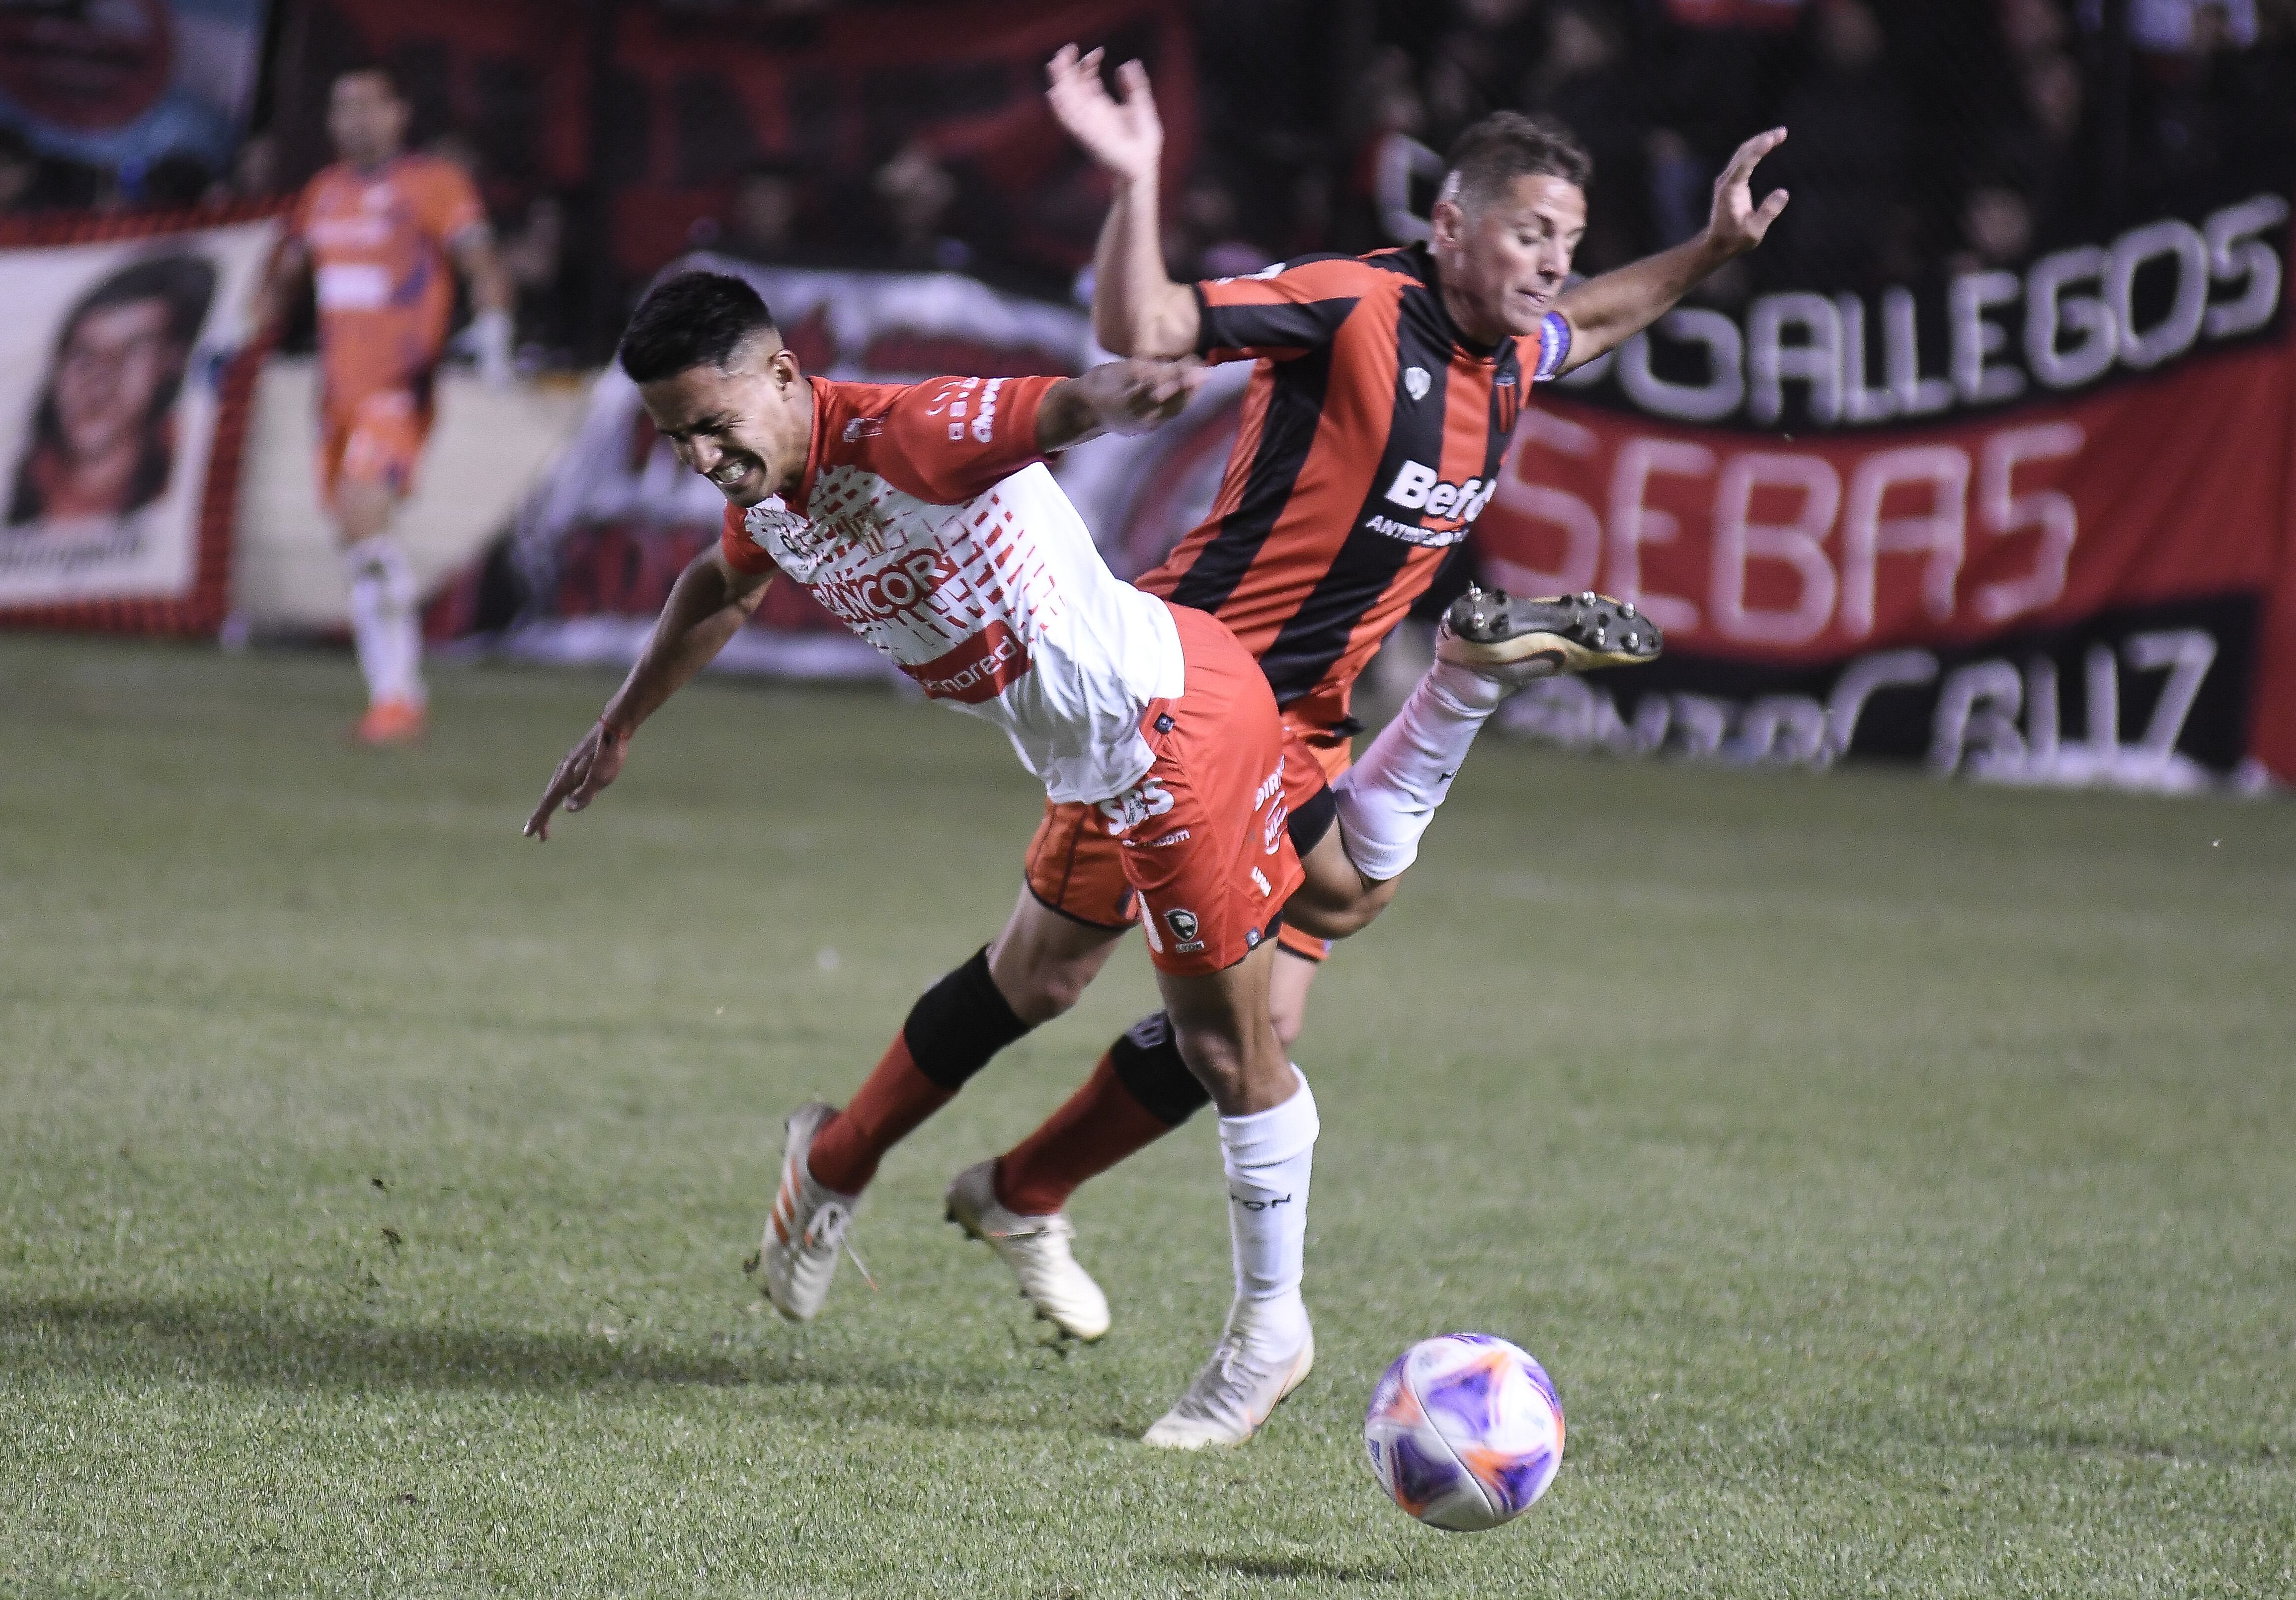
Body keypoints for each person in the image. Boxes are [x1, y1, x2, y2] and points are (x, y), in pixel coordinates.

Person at [522, 269, 1654, 1450]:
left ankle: (1271, 1332)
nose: (701, 457)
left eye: (713, 426)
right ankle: (841, 1165)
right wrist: (620, 723)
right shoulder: (769, 493)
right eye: (676, 438)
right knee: (1050, 974)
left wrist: (1134, 390)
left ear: (785, 377)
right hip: (1111, 743)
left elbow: (1060, 407)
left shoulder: (914, 434)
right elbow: (722, 584)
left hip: (1166, 731)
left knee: (1239, 1036)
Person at [902, 53, 1792, 1353]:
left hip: (1306, 725)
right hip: (1184, 694)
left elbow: (1591, 323)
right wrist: (1137, 179)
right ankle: (850, 1165)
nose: (1552, 260)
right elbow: (1149, 326)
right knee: (1050, 973)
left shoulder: (1512, 357)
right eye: (1529, 232)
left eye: (1566, 239)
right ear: (1448, 224)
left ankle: (1020, 1191)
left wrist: (1709, 246)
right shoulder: (1350, 304)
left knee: (1261, 1017)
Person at [251, 67, 513, 745]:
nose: (355, 121)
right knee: (355, 538)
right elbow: (283, 279)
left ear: (399, 114)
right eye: (343, 109)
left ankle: (400, 701)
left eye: (369, 107)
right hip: (335, 396)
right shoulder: (324, 194)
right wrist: (236, 340)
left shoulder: (434, 185)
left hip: (398, 388)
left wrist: (494, 332)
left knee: (365, 519)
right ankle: (391, 697)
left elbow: (482, 261)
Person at [5, 254, 217, 530]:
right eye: (83, 355)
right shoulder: (9, 484)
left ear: (172, 363)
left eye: (131, 351)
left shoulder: (192, 473)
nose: (99, 379)